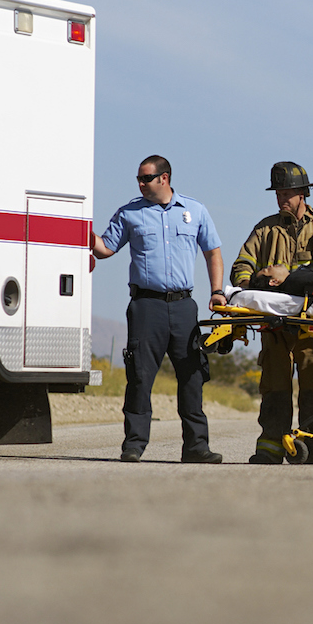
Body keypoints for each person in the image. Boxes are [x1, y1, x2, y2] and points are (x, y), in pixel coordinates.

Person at [92, 155, 227, 464]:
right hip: (145, 307)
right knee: (140, 376)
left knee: (192, 377)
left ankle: (196, 447)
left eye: (146, 178)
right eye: (138, 179)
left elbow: (213, 251)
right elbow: (105, 249)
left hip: (183, 308)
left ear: (164, 178)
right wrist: (82, 230)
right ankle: (134, 445)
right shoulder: (130, 213)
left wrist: (217, 291)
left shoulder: (195, 211)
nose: (140, 184)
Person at [231, 161, 313, 465]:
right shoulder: (264, 229)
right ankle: (271, 446)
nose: (281, 198)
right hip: (274, 325)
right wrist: (253, 283)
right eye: (277, 193)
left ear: (303, 193)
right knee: (274, 385)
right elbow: (241, 266)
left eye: (286, 192)